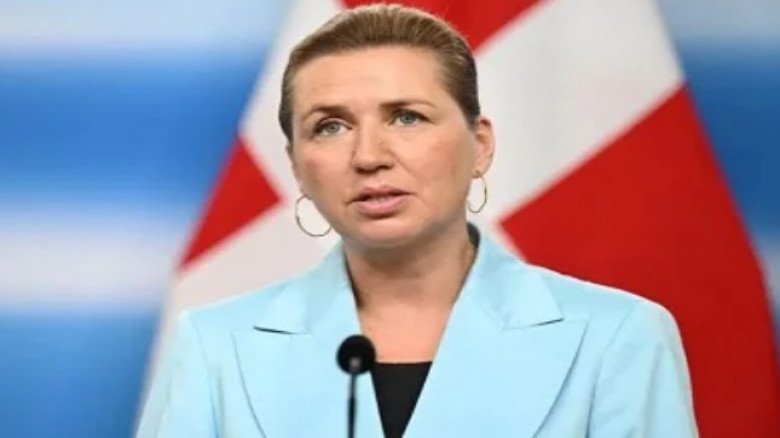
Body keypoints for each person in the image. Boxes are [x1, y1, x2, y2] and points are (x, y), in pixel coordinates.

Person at [136, 4, 698, 437]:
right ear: (296, 166)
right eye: (330, 126)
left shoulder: (617, 337)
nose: (368, 156)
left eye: (406, 117)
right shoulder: (214, 347)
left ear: (480, 145)